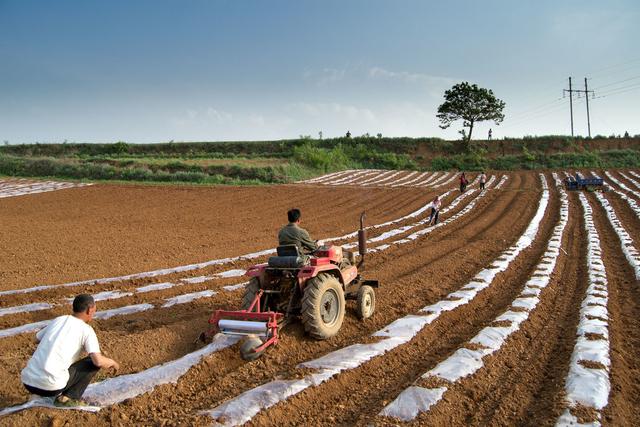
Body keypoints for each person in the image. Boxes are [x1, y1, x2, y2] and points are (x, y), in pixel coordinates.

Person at [21, 294, 119, 407]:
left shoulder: (59, 320)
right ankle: (68, 398)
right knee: (91, 363)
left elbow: (36, 338)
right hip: (51, 387)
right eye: (94, 311)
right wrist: (112, 362)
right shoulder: (86, 330)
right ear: (89, 310)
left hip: (28, 381)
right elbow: (98, 361)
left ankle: (37, 394)